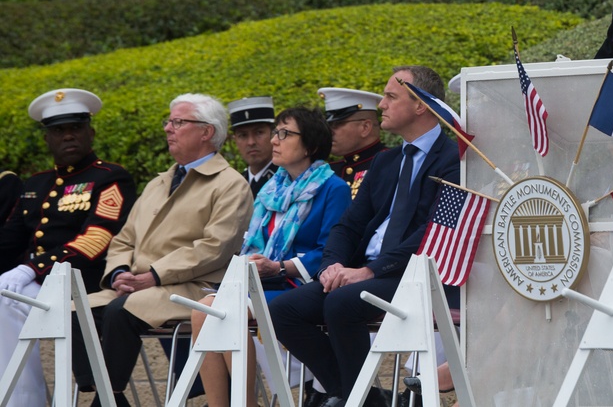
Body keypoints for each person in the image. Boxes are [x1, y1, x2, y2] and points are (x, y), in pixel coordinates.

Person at [270, 66, 460, 407]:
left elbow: (435, 230)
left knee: (342, 302)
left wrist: (372, 271)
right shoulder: (387, 162)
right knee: (284, 310)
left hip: (414, 275)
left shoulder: (455, 159)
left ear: (420, 105)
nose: (382, 105)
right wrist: (332, 265)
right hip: (363, 272)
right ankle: (366, 399)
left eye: (390, 96)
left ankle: (353, 399)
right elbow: (349, 226)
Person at [71, 93, 253, 407]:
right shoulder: (159, 182)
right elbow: (124, 238)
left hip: (192, 287)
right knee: (76, 311)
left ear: (206, 132)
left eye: (178, 122)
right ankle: (102, 392)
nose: (168, 128)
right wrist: (118, 274)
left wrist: (154, 275)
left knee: (120, 312)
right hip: (142, 287)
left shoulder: (229, 184)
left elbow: (214, 248)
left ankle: (107, 398)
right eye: (169, 121)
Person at [190, 106, 351, 407]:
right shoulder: (272, 188)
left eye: (285, 134)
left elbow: (332, 251)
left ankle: (245, 403)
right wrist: (254, 263)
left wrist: (280, 267)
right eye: (276, 133)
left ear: (311, 146)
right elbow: (254, 244)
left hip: (300, 287)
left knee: (226, 312)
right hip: (262, 282)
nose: (274, 141)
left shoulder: (334, 188)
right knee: (203, 311)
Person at [0, 88, 136, 407]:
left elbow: (96, 239)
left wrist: (30, 268)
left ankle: (25, 402)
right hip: (37, 284)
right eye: (58, 131)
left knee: (4, 303)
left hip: (83, 283)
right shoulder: (36, 184)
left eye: (75, 128)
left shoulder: (110, 178)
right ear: (47, 139)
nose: (68, 136)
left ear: (91, 132)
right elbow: (11, 240)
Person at [319, 87, 387, 198]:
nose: (329, 131)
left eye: (337, 124)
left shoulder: (391, 164)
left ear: (365, 127)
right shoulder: (328, 171)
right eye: (328, 125)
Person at [228, 96, 278, 197]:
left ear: (273, 134)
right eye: (243, 135)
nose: (251, 142)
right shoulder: (236, 184)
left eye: (259, 132)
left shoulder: (287, 178)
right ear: (235, 140)